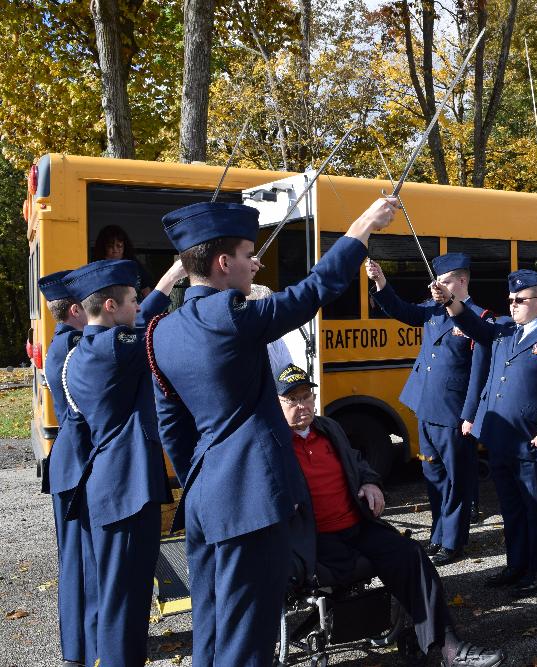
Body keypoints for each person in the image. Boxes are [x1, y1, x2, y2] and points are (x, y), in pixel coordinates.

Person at [147, 198, 397, 665]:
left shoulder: (160, 331)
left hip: (203, 497)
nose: (255, 263)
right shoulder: (234, 315)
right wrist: (363, 225)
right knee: (249, 635)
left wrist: (203, 479)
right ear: (224, 263)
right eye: (248, 254)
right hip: (250, 501)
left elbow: (172, 426)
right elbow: (315, 288)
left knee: (213, 627)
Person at [276, 363, 506, 667]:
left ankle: (450, 648)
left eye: (306, 396)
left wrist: (371, 482)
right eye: (292, 400)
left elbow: (358, 463)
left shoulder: (329, 428)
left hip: (357, 526)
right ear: (277, 404)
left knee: (411, 555)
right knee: (341, 572)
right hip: (314, 541)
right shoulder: (273, 444)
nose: (302, 405)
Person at [62, 258, 187, 667]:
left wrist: (174, 276)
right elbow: (152, 326)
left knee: (122, 600)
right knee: (125, 605)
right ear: (111, 306)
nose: (138, 305)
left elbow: (144, 322)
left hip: (114, 488)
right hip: (127, 491)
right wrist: (175, 277)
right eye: (132, 299)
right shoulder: (114, 346)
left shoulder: (83, 351)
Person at [430, 269, 537, 595]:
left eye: (520, 300)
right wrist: (451, 301)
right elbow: (472, 325)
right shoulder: (504, 330)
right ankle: (516, 564)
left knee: (536, 509)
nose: (513, 305)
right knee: (511, 508)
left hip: (534, 441)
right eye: (510, 299)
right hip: (501, 439)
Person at [367, 253, 491, 565]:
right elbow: (402, 310)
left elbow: (479, 373)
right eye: (437, 281)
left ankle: (453, 541)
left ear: (461, 281)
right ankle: (438, 534)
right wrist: (380, 280)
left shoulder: (479, 317)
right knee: (433, 476)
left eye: (445, 281)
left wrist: (470, 415)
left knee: (457, 480)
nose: (437, 286)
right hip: (426, 407)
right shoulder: (433, 309)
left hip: (453, 414)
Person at [38, 270, 96, 667]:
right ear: (75, 310)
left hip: (68, 463)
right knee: (79, 562)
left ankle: (80, 645)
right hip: (77, 465)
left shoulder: (62, 342)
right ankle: (80, 649)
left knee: (75, 560)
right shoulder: (74, 346)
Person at [93, 225, 154, 299]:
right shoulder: (96, 269)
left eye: (119, 246)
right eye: (110, 246)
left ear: (125, 246)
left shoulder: (134, 266)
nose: (115, 249)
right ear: (103, 248)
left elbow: (146, 290)